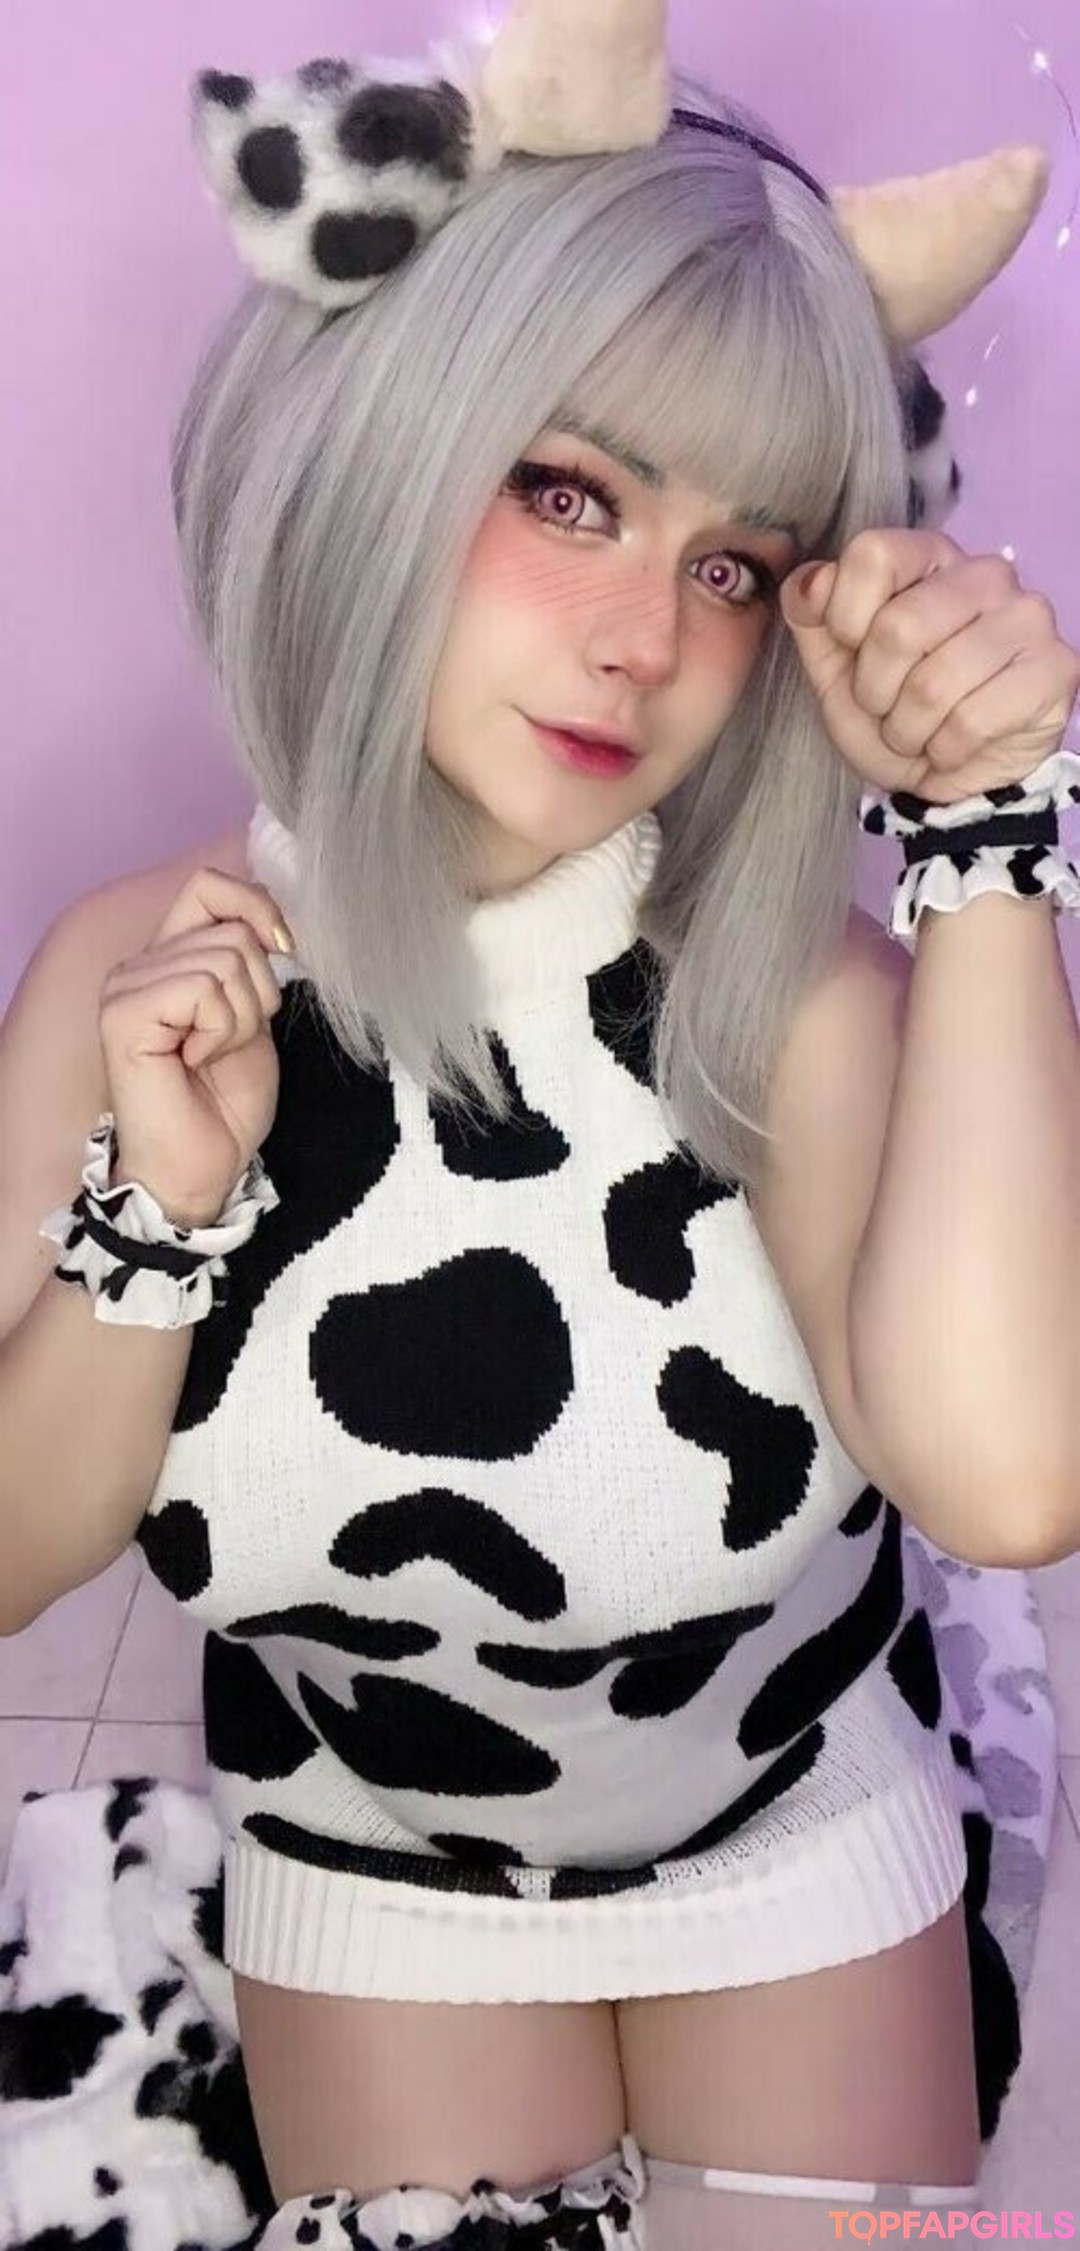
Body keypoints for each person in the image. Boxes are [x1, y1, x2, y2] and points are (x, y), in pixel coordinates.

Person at [2, 3, 1079, 2244]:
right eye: (570, 491)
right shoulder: (135, 971)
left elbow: (1012, 1480)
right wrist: (159, 1225)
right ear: (387, 435)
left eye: (734, 562)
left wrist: (984, 838)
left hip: (790, 1838)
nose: (641, 641)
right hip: (373, 1870)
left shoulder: (791, 998)